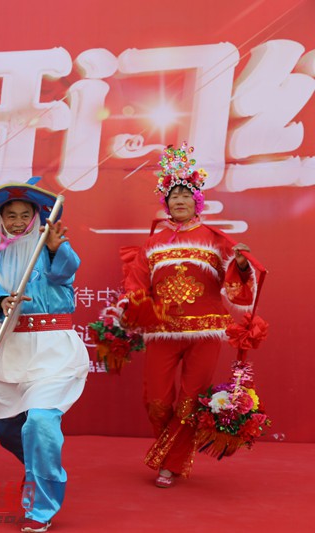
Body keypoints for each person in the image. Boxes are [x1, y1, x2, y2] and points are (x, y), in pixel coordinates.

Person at [119, 143, 256, 488]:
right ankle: (171, 455)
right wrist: (131, 308)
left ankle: (170, 464)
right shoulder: (153, 243)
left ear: (197, 202)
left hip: (205, 334)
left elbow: (236, 285)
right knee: (156, 400)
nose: (179, 201)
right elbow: (137, 284)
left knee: (190, 401)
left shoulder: (216, 240)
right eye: (173, 196)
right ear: (166, 203)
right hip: (161, 332)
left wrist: (241, 266)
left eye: (185, 196)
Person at [0, 178, 89, 533]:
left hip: (53, 351)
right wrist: (3, 302)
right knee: (7, 428)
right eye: (12, 215)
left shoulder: (50, 247)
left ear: (37, 217)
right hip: (13, 350)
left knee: (39, 422)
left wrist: (54, 249)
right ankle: (35, 464)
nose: (19, 221)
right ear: (1, 220)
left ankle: (41, 506)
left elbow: (65, 270)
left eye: (26, 214)